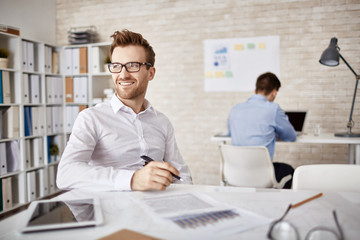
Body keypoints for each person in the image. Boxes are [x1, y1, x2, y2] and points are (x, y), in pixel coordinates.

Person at [57, 29, 192, 191]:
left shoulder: (162, 122)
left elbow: (182, 175)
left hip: (156, 210)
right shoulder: (91, 118)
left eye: (133, 65)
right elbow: (66, 174)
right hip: (111, 212)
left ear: (151, 73)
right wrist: (132, 179)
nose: (123, 74)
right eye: (116, 66)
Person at [227, 72, 296, 188]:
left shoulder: (235, 109)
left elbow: (230, 133)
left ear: (255, 90)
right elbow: (291, 136)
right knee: (288, 170)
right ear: (274, 92)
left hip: (236, 172)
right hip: (261, 175)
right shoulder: (273, 109)